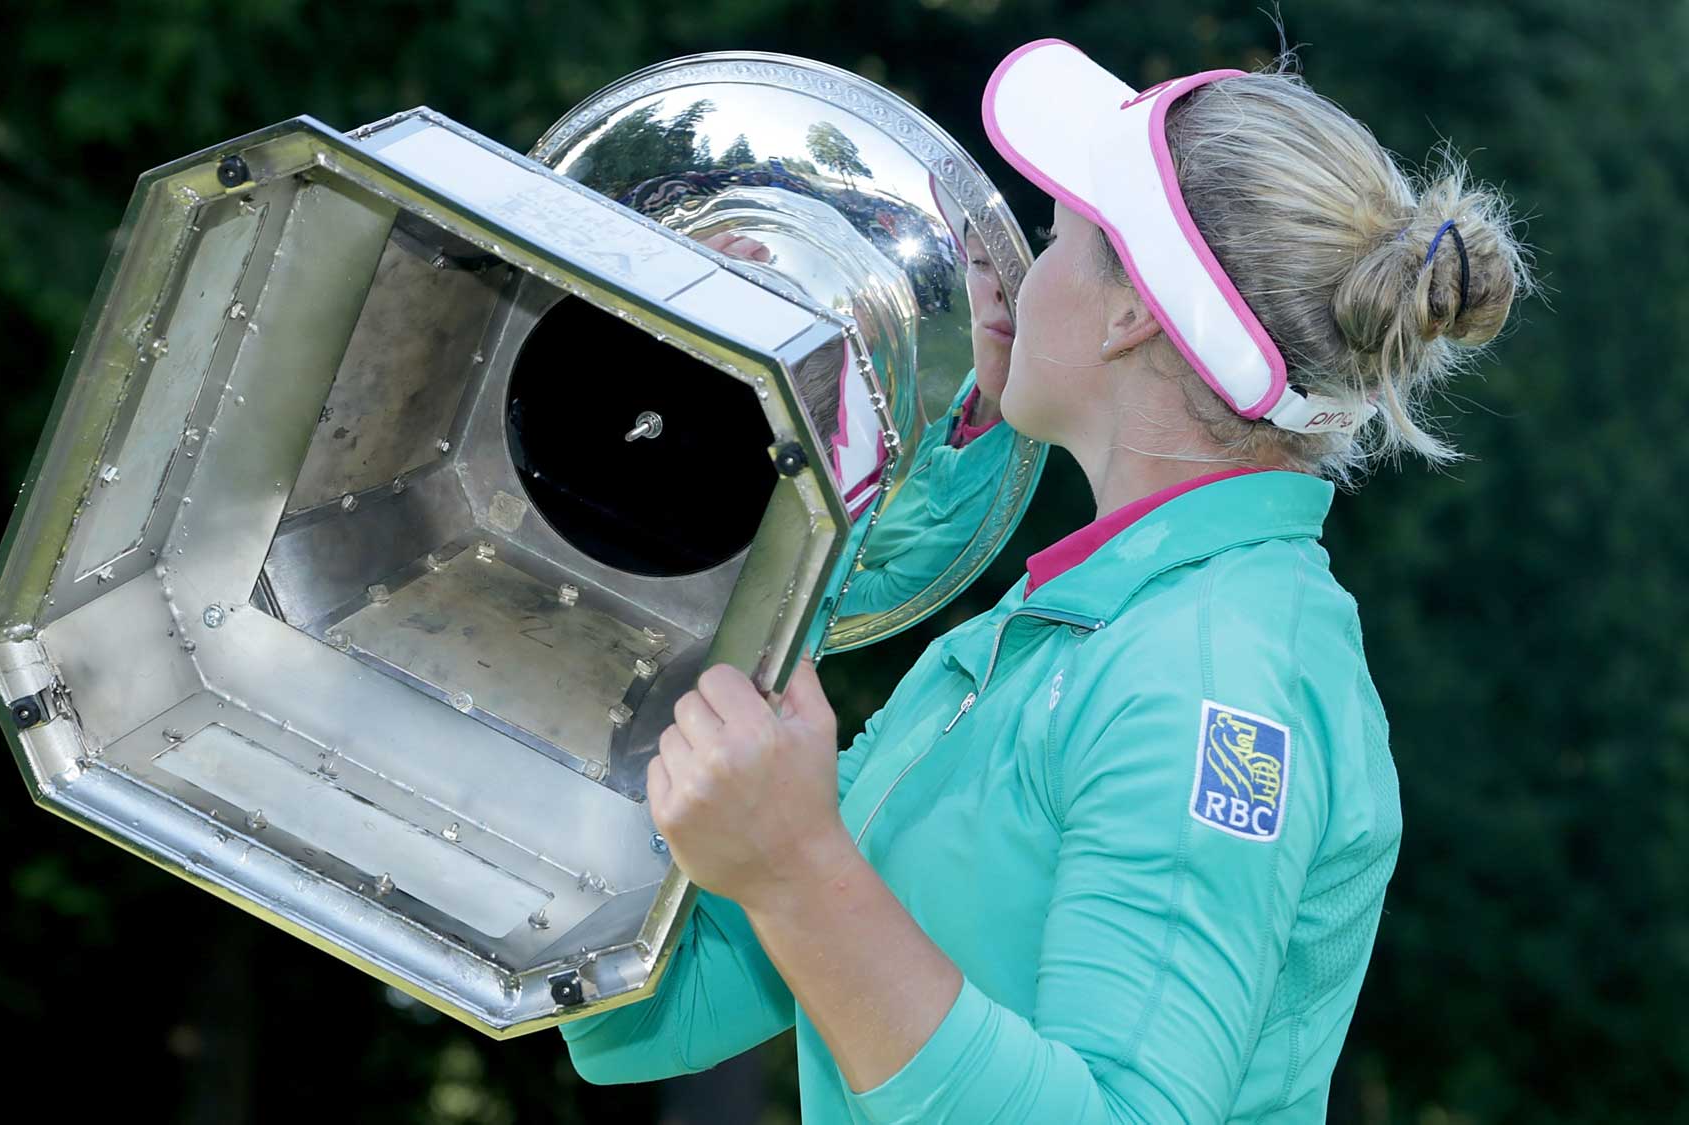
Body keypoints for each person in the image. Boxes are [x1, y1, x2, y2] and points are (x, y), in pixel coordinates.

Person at [563, 38, 1529, 1122]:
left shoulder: (1213, 681)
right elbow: (647, 1006)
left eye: (1060, 235)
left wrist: (796, 868)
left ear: (1129, 316)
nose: (1023, 270)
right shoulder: (1054, 635)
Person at [835, 227, 1022, 618]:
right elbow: (926, 449)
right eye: (982, 262)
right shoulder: (978, 383)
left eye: (1020, 269)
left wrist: (818, 581)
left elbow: (888, 591)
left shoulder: (1004, 479)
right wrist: (879, 346)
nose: (1002, 288)